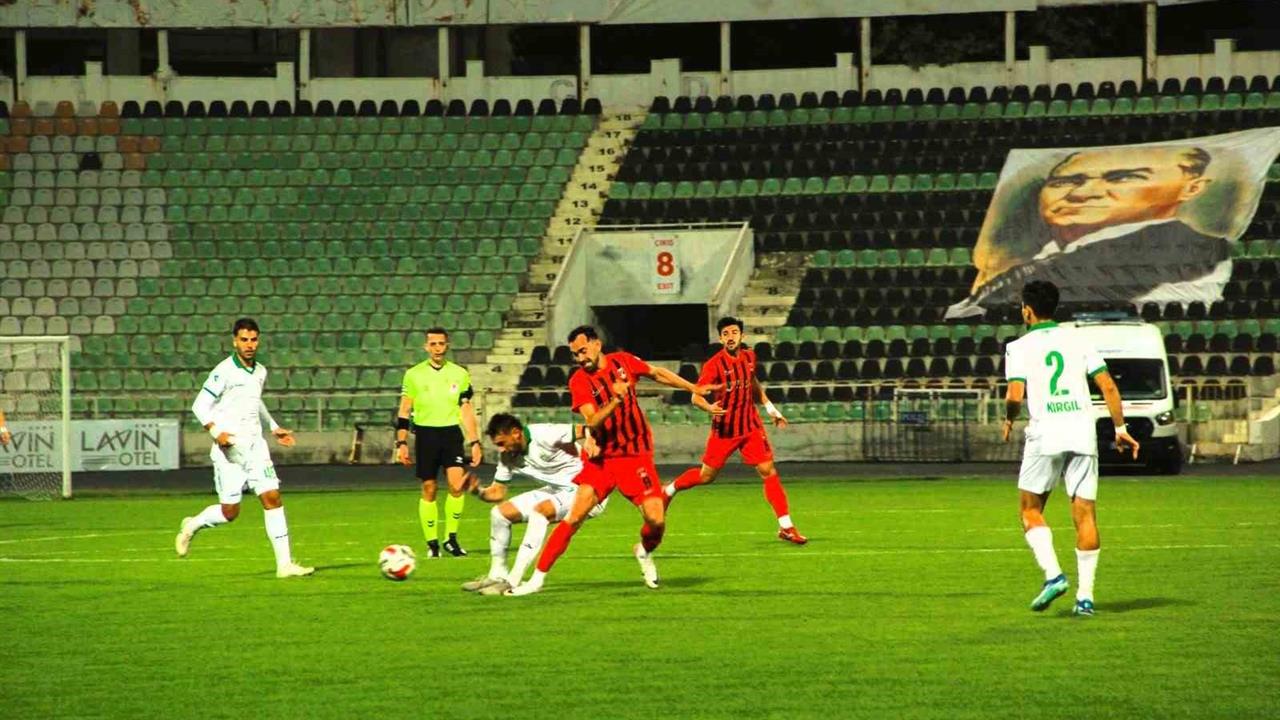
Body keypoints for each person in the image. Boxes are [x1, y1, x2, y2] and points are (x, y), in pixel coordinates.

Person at [508, 325, 720, 596]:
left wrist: (694, 387)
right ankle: (536, 580)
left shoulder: (623, 361)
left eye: (583, 351)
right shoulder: (579, 381)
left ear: (597, 344)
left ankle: (643, 550)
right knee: (574, 518)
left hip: (636, 456)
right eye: (575, 354)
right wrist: (617, 400)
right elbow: (592, 420)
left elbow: (657, 373)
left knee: (656, 521)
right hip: (604, 459)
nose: (580, 358)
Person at [950, 146, 1230, 317]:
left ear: (1192, 187)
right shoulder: (1039, 255)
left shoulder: (1193, 250)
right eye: (1065, 181)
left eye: (1124, 178)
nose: (1082, 193)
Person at [1002, 281, 1140, 616]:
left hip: (1045, 433)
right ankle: (1086, 598)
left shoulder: (1018, 347)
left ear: (1027, 309)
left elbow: (1014, 396)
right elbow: (1107, 384)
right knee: (1085, 516)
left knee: (1029, 509)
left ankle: (1053, 576)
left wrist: (1008, 420)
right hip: (1082, 431)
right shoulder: (1080, 339)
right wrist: (1120, 428)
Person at [174, 318, 314, 578]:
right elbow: (199, 405)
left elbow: (255, 401)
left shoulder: (260, 371)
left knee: (272, 497)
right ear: (234, 341)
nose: (249, 345)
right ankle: (192, 525)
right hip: (229, 450)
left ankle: (284, 565)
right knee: (230, 512)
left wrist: (273, 426)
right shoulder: (224, 371)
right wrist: (217, 432)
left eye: (253, 340)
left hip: (256, 446)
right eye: (244, 340)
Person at [663, 317, 807, 544]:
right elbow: (696, 395)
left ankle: (786, 527)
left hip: (750, 426)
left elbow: (752, 383)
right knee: (706, 476)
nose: (730, 337)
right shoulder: (713, 365)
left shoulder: (749, 356)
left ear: (742, 335)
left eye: (734, 332)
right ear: (720, 338)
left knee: (768, 471)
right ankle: (669, 490)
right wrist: (709, 407)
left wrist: (771, 408)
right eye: (726, 334)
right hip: (725, 430)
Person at [460, 413, 610, 596]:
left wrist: (591, 440)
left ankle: (512, 581)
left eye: (501, 443)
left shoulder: (545, 434)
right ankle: (497, 574)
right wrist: (477, 491)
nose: (501, 449)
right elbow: (497, 492)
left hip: (588, 491)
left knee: (540, 512)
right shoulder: (508, 456)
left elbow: (586, 428)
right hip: (558, 490)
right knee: (499, 514)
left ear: (516, 433)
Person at [395, 327, 483, 558]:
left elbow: (465, 409)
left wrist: (475, 441)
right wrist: (401, 443)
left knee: (456, 486)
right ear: (426, 347)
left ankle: (451, 539)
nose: (437, 348)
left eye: (441, 343)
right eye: (432, 344)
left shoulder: (460, 373)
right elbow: (405, 409)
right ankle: (432, 543)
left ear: (447, 345)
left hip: (451, 435)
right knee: (429, 488)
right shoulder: (413, 374)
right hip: (426, 435)